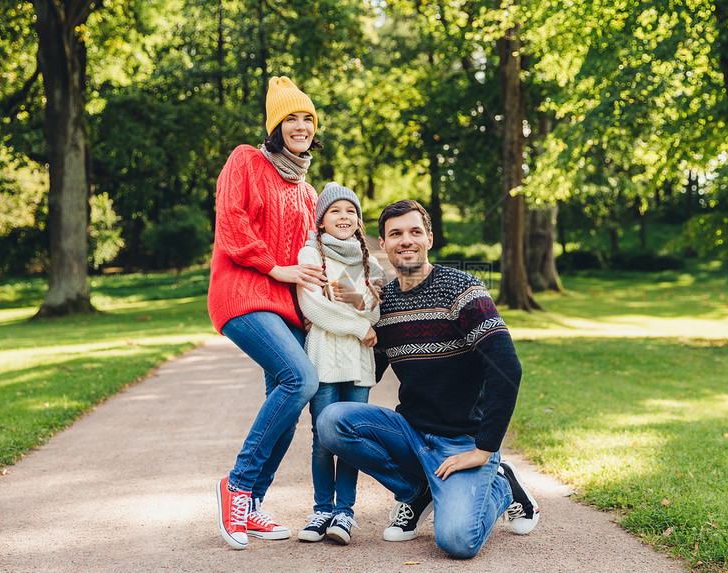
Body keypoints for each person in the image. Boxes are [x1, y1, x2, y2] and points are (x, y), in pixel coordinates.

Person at [317, 199, 540, 559]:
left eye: (414, 232)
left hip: (463, 441)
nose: (406, 240)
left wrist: (484, 449)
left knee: (456, 541)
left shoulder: (462, 288)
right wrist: (337, 327)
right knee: (332, 422)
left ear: (430, 238)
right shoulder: (382, 303)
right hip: (413, 433)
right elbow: (367, 373)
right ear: (383, 243)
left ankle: (502, 486)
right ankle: (417, 490)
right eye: (396, 234)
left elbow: (506, 367)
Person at [208, 76, 327, 550]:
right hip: (242, 293)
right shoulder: (246, 160)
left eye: (307, 119)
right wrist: (277, 268)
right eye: (290, 118)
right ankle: (236, 487)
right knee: (301, 378)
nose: (300, 126)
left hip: (288, 309)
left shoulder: (309, 191)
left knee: (291, 398)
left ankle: (252, 503)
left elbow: (319, 256)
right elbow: (231, 225)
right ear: (275, 126)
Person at [294, 182, 385, 546]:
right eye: (335, 211)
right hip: (323, 358)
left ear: (359, 221)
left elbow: (377, 313)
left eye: (350, 211)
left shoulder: (371, 263)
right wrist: (358, 322)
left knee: (351, 438)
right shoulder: (310, 257)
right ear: (321, 220)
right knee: (322, 438)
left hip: (358, 364)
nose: (343, 217)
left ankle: (345, 513)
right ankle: (321, 509)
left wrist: (363, 306)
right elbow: (313, 307)